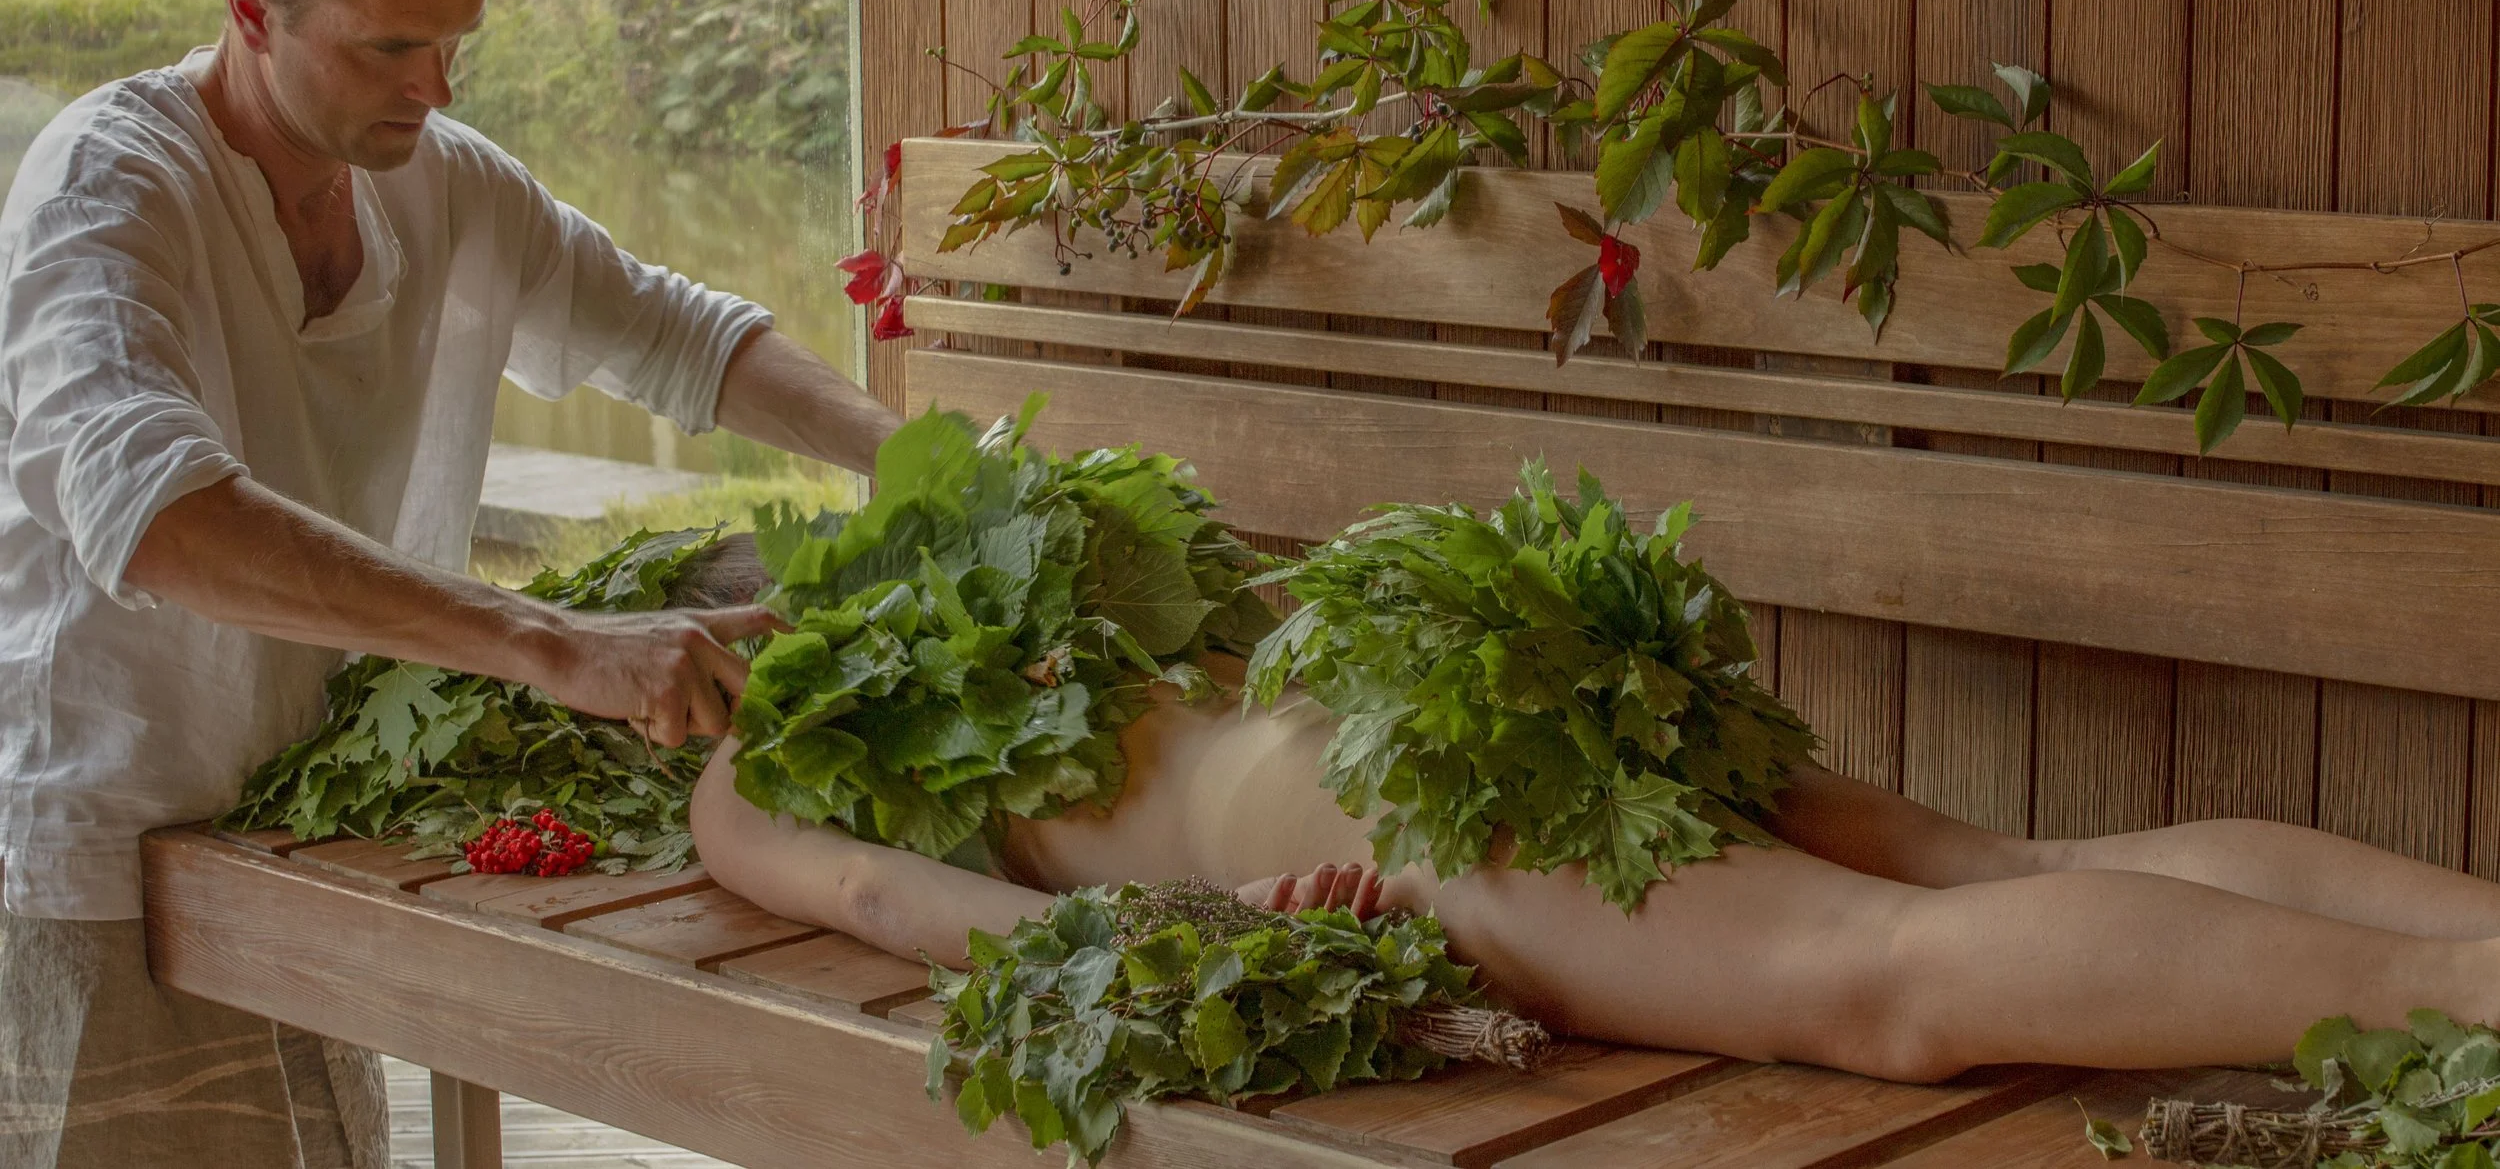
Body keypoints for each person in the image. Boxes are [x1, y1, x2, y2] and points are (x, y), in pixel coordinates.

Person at [0, 0, 896, 1169]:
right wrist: (554, 643)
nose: (436, 86)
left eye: (456, 41)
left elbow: (679, 333)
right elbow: (155, 513)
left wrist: (936, 466)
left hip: (302, 830)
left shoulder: (444, 181)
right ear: (252, 11)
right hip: (97, 851)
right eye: (391, 46)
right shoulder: (106, 190)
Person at [693, 646, 2500, 1081]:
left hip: (1420, 822)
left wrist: (1199, 926)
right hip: (1492, 684)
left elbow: (889, 903)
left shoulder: (752, 753)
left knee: (1881, 982)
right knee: (2003, 861)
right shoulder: (1049, 609)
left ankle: (2464, 999)